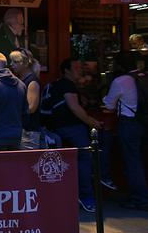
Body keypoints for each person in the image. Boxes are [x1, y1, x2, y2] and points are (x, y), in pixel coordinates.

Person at [42, 58, 103, 212]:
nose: (79, 70)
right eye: (75, 68)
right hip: (71, 127)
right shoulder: (67, 85)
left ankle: (63, 196)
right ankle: (86, 195)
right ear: (66, 71)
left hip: (53, 129)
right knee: (85, 157)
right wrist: (92, 122)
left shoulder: (56, 85)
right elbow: (74, 108)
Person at [102, 52, 148, 210]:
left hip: (129, 123)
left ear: (120, 65)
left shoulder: (120, 81)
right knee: (141, 160)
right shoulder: (145, 77)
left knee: (132, 162)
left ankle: (139, 198)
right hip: (144, 122)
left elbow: (109, 105)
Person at [9, 49, 42, 149]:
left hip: (29, 132)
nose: (11, 64)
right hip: (19, 130)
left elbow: (31, 108)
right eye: (11, 61)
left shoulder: (32, 81)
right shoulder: (19, 80)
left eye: (15, 62)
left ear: (25, 63)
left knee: (27, 163)